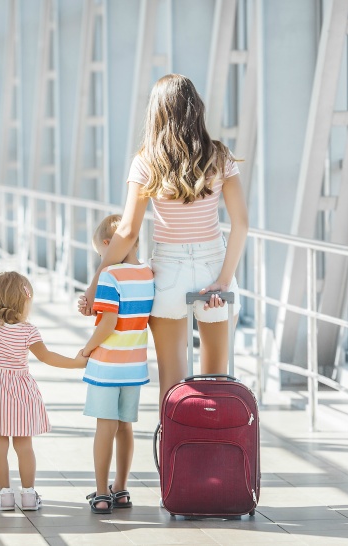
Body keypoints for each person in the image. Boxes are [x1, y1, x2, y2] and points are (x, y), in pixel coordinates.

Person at [80, 74, 248, 408]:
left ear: (156, 115)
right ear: (196, 108)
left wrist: (96, 283)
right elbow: (241, 224)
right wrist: (223, 280)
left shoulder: (146, 162)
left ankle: (176, 458)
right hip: (214, 269)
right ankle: (211, 455)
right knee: (216, 382)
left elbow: (127, 231)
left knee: (171, 386)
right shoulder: (219, 157)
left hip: (168, 275)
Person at [0, 253, 87, 511]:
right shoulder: (28, 330)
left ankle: (5, 495)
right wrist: (77, 362)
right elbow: (47, 357)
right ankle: (29, 495)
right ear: (25, 300)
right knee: (24, 446)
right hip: (21, 391)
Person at [80, 215, 154, 514]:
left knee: (104, 428)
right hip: (134, 366)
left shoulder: (110, 275)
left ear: (109, 246)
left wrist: (87, 349)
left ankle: (100, 493)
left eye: (101, 253)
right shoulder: (148, 273)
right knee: (125, 427)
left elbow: (108, 322)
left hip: (107, 365)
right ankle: (121, 489)